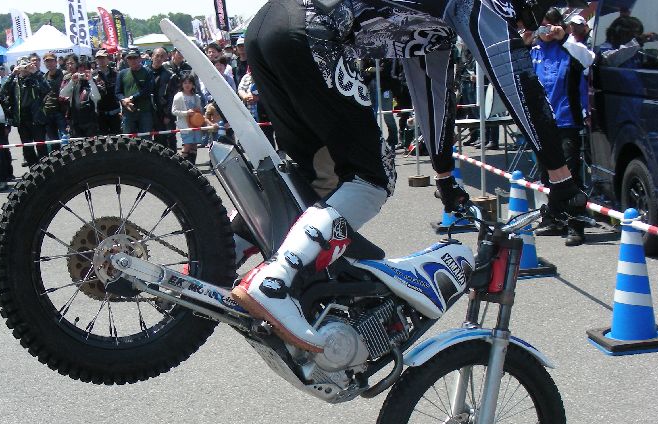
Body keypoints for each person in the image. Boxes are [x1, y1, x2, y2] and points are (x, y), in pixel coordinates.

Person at [232, 0, 588, 353]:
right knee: (373, 178)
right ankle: (275, 281)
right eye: (524, 24)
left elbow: (432, 96)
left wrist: (445, 177)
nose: (524, 33)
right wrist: (561, 180)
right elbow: (514, 76)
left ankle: (219, 258)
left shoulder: (432, 28)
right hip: (311, 30)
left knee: (316, 177)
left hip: (267, 25)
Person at [530, 8, 594, 244]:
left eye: (550, 25)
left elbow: (589, 59)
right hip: (541, 123)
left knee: (570, 175)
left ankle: (576, 224)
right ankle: (555, 218)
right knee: (547, 175)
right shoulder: (533, 51)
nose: (546, 31)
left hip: (566, 120)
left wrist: (564, 37)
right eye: (542, 26)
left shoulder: (571, 48)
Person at [1, 58, 50, 168]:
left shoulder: (36, 78)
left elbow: (47, 89)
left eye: (26, 67)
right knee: (27, 148)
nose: (24, 70)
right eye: (22, 67)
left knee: (41, 146)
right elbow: (2, 91)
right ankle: (34, 170)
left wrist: (35, 73)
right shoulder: (14, 82)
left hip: (36, 119)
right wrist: (12, 75)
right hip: (22, 120)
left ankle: (46, 169)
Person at [115, 47, 154, 135]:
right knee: (128, 138)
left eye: (135, 58)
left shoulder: (148, 72)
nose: (132, 60)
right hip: (128, 112)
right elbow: (117, 92)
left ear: (140, 58)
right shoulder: (122, 73)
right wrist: (124, 101)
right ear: (127, 60)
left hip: (144, 111)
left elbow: (148, 89)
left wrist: (132, 98)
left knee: (146, 138)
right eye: (130, 58)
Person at [59, 61, 100, 138]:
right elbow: (62, 94)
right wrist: (71, 81)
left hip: (90, 122)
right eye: (80, 70)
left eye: (85, 70)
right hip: (76, 123)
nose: (82, 73)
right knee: (77, 144)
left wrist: (90, 80)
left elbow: (97, 97)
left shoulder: (93, 82)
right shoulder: (74, 83)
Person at [171, 73, 204, 164]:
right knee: (187, 144)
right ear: (181, 84)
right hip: (185, 125)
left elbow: (200, 109)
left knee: (194, 145)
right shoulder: (178, 96)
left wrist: (198, 110)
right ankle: (181, 164)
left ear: (193, 84)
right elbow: (174, 111)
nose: (187, 85)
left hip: (195, 124)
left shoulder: (196, 97)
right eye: (185, 83)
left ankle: (192, 165)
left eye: (189, 83)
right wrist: (186, 113)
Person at [150, 47, 178, 151]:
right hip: (149, 111)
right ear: (152, 56)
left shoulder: (169, 75)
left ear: (165, 58)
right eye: (157, 56)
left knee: (169, 138)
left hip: (164, 111)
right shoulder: (145, 72)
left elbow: (172, 97)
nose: (159, 58)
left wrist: (168, 115)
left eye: (162, 56)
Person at [42, 52, 67, 149]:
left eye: (51, 61)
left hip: (61, 112)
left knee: (65, 139)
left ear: (56, 62)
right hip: (48, 112)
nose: (49, 63)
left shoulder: (64, 74)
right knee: (53, 142)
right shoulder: (44, 77)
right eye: (47, 61)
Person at [93, 48, 121, 135]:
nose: (101, 60)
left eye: (103, 58)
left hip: (115, 111)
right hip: (100, 112)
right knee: (103, 139)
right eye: (99, 58)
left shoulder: (116, 73)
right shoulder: (93, 75)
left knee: (116, 138)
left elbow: (120, 91)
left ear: (108, 59)